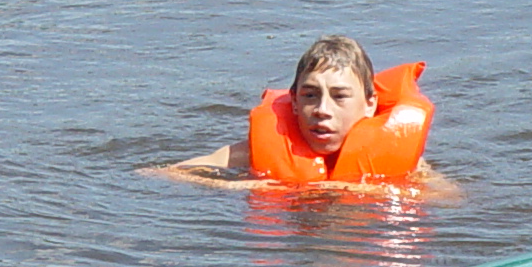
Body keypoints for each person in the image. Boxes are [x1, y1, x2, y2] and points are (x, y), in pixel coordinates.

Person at [155, 35, 443, 188]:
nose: (321, 110)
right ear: (293, 102)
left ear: (370, 104)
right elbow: (165, 174)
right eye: (309, 95)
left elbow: (452, 200)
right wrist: (242, 188)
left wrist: (352, 191)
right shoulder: (252, 154)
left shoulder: (408, 166)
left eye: (340, 96)